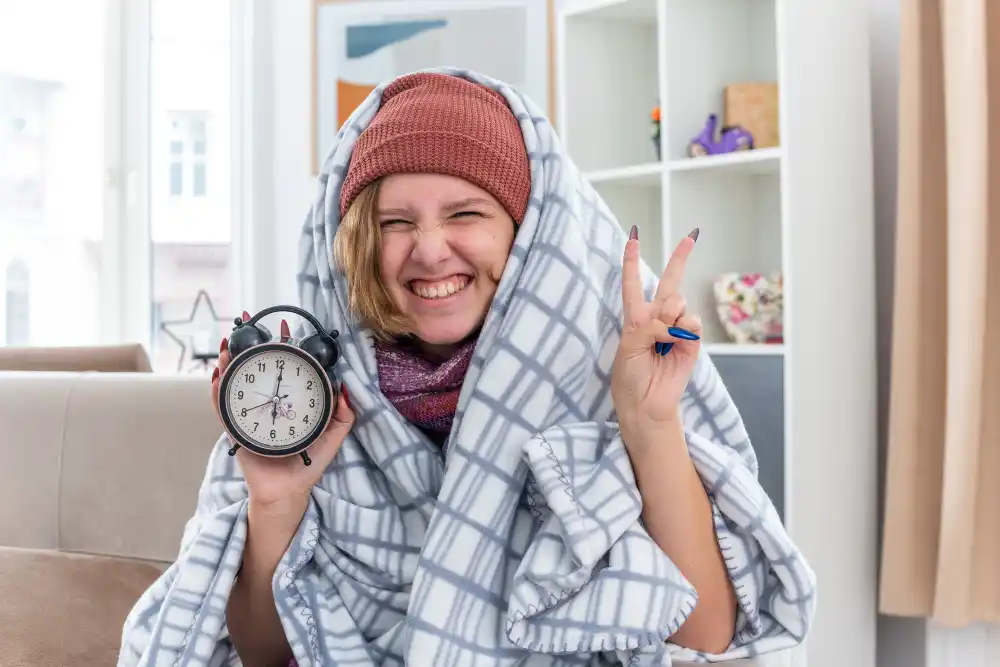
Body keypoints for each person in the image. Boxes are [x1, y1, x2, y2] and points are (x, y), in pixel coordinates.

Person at [119, 69, 815, 667]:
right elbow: (264, 653)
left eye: (466, 213)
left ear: (526, 232)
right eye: (394, 222)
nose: (429, 250)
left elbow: (711, 642)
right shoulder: (301, 398)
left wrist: (649, 421)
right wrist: (276, 503)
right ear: (360, 242)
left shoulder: (605, 377)